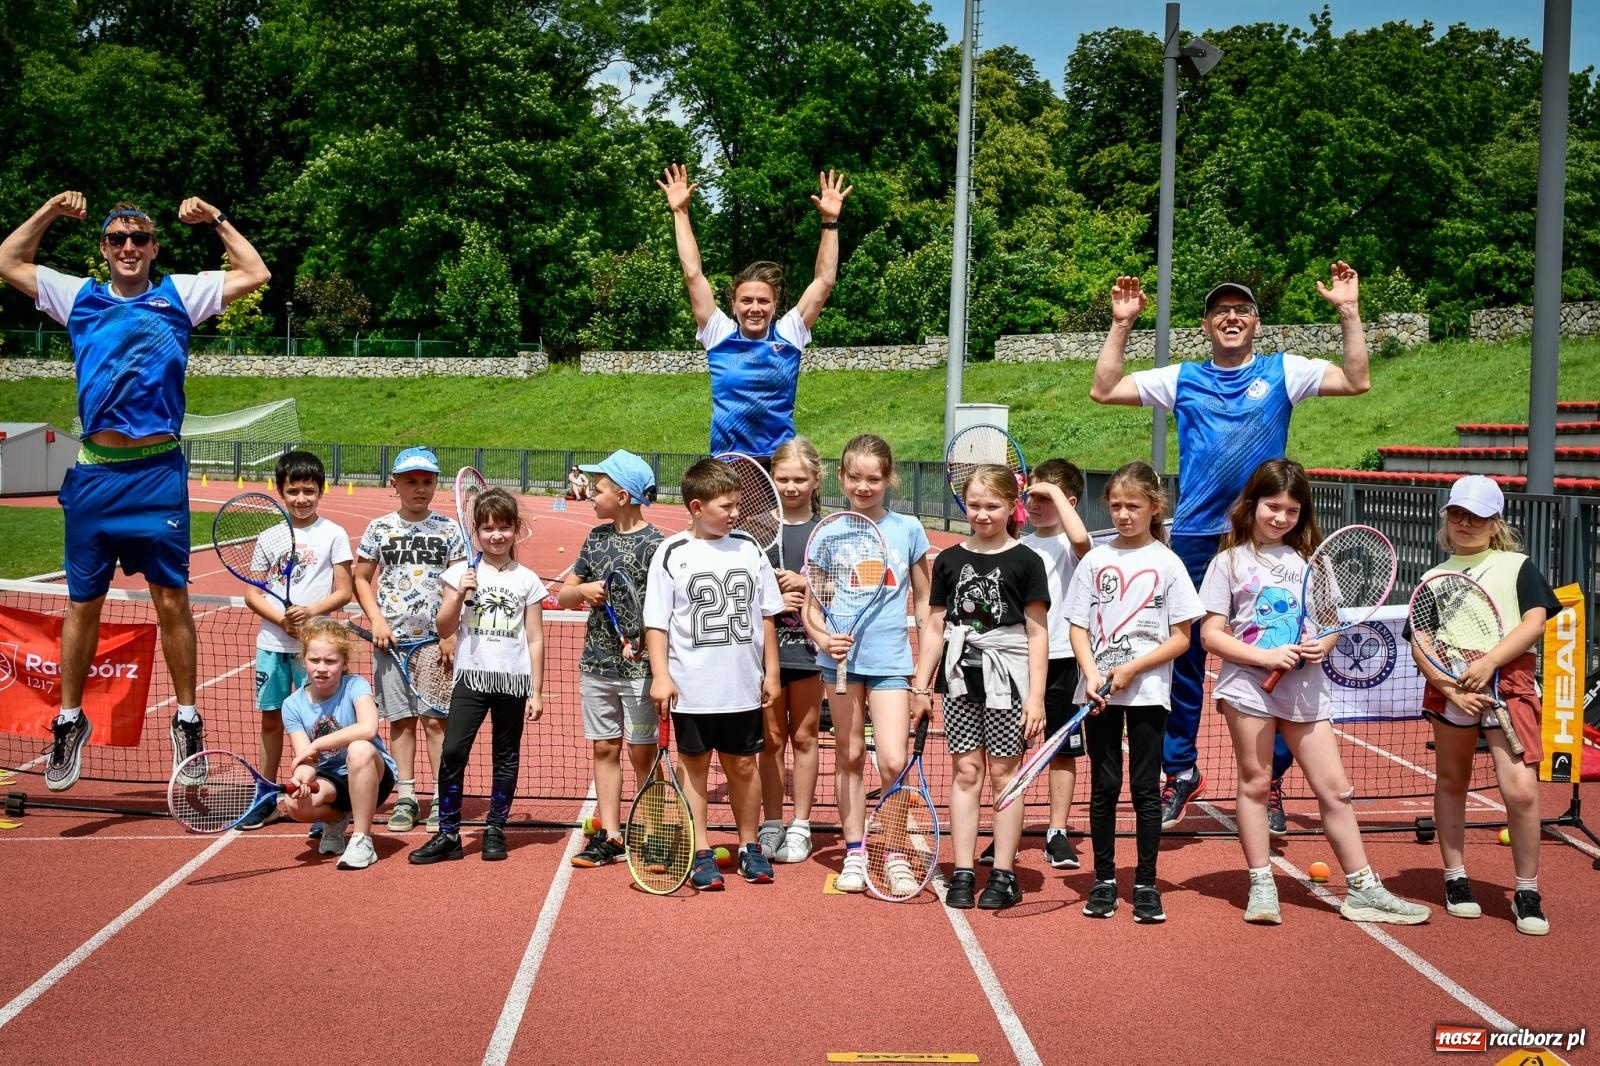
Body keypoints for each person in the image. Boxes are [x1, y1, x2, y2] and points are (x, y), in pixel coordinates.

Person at [0, 192, 269, 791]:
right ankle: (69, 722)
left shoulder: (181, 294)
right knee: (82, 605)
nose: (129, 247)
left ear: (154, 248)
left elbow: (256, 272)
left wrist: (217, 219)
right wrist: (47, 211)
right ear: (103, 248)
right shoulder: (80, 297)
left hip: (156, 474)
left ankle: (187, 720)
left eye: (139, 239)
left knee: (170, 602)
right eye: (118, 239)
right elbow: (8, 259)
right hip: (95, 473)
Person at [1089, 265, 1372, 831]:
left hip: (1265, 531)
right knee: (1185, 655)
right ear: (1207, 324)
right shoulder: (1184, 377)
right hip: (1196, 533)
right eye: (1221, 310)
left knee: (1284, 650)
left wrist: (1348, 311)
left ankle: (1270, 784)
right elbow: (1104, 389)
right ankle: (1181, 772)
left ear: (1256, 322)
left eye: (1241, 309)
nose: (1232, 317)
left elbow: (1357, 379)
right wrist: (1122, 324)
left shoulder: (1283, 370)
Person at [1199, 459, 1431, 925]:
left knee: (1336, 789)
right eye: (1272, 506)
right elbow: (1211, 634)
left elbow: (1329, 626)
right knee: (1256, 783)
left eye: (1291, 509)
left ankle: (1363, 888)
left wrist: (1319, 646)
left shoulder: (1314, 561)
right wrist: (1265, 658)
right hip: (1248, 688)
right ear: (1253, 505)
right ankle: (1262, 884)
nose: (1280, 517)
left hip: (1305, 692)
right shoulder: (1229, 561)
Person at [1410, 475, 1560, 935]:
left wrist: (1492, 660)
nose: (1465, 522)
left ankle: (1527, 890)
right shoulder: (1432, 578)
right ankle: (1455, 878)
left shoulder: (1518, 565)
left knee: (1520, 791)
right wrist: (1448, 685)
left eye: (1476, 516)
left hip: (1508, 685)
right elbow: (1420, 641)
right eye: (1457, 513)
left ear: (1495, 522)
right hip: (1453, 689)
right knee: (1452, 780)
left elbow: (1535, 620)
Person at [1065, 462, 1204, 923]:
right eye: (1117, 505)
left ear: (1154, 507)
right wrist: (1091, 673)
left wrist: (1133, 668)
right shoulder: (1095, 559)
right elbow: (1078, 627)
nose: (1124, 514)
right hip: (1099, 695)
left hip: (1147, 694)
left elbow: (1183, 636)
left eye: (1134, 505)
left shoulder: (1168, 562)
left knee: (1146, 790)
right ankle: (1104, 879)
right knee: (1104, 787)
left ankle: (1146, 882)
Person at [912, 465, 1050, 910]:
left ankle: (1005, 873)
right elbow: (935, 627)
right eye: (975, 505)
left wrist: (1036, 697)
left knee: (1004, 776)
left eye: (993, 506)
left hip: (1008, 681)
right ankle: (965, 870)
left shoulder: (1027, 561)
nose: (983, 514)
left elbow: (1036, 634)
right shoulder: (949, 560)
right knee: (966, 772)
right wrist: (920, 684)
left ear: (1013, 507)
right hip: (958, 681)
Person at [644, 459, 784, 889]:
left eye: (737, 505)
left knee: (743, 766)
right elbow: (658, 623)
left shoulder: (748, 549)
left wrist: (772, 671)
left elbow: (766, 617)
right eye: (726, 506)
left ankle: (749, 847)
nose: (735, 514)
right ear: (697, 506)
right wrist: (661, 676)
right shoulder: (671, 554)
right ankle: (700, 848)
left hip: (741, 686)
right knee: (694, 768)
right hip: (692, 689)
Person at [802, 434, 932, 893]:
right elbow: (812, 605)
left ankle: (893, 849)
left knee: (894, 760)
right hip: (839, 664)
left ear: (889, 478)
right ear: (840, 477)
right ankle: (856, 851)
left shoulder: (909, 529)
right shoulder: (827, 532)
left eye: (873, 478)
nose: (863, 486)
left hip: (891, 662)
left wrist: (925, 675)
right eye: (854, 477)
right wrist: (821, 637)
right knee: (850, 755)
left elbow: (925, 605)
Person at [659, 163, 852, 458]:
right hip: (728, 463)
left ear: (775, 305)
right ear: (733, 304)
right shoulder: (718, 333)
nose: (755, 308)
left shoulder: (789, 333)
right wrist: (680, 213)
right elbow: (693, 274)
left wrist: (830, 221)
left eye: (763, 301)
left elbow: (824, 281)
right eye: (746, 300)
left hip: (780, 465)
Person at [410, 488, 545, 864]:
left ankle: (496, 828)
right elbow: (443, 627)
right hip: (471, 678)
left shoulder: (528, 580)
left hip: (512, 680)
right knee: (453, 751)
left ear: (516, 530)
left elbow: (534, 637)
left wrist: (536, 690)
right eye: (488, 528)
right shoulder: (458, 574)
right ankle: (449, 833)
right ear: (476, 531)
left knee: (506, 756)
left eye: (504, 527)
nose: (497, 535)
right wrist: (457, 595)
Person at [352, 446, 467, 835]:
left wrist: (449, 634)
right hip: (391, 643)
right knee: (400, 722)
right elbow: (360, 578)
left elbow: (457, 587)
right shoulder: (379, 529)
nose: (420, 489)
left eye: (428, 482)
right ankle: (406, 796)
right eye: (412, 482)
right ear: (395, 484)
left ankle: (440, 796)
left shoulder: (449, 530)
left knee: (436, 721)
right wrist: (377, 621)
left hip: (436, 642)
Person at [557, 450, 663, 868]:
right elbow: (564, 594)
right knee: (605, 748)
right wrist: (582, 592)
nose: (590, 493)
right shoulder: (595, 538)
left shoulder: (658, 546)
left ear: (622, 495)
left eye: (597, 488)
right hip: (597, 666)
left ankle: (653, 834)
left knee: (642, 753)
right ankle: (612, 835)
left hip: (640, 672)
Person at [240, 450, 353, 828]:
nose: (301, 498)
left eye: (309, 490)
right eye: (293, 491)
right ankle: (268, 793)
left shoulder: (334, 534)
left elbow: (344, 591)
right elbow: (253, 593)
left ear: (321, 491)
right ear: (280, 491)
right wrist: (282, 620)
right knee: (271, 721)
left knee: (320, 725)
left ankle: (321, 795)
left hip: (315, 649)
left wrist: (310, 614)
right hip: (273, 644)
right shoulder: (270, 536)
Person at [1018, 459, 1093, 869]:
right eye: (1031, 495)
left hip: (1064, 658)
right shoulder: (1020, 545)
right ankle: (1008, 827)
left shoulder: (1072, 544)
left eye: (1044, 498)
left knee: (1062, 749)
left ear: (1069, 502)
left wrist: (1055, 496)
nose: (1035, 503)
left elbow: (1080, 538)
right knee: (1010, 747)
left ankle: (1057, 831)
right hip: (1022, 659)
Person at [279, 618, 399, 869]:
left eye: (330, 661)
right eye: (314, 660)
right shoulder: (292, 705)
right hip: (330, 779)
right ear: (304, 660)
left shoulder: (356, 685)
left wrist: (318, 743)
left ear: (344, 663)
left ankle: (362, 839)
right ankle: (336, 820)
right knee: (294, 805)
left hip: (373, 774)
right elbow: (307, 758)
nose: (321, 668)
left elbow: (367, 728)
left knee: (359, 747)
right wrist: (302, 778)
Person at [758, 436, 825, 863]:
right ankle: (770, 823)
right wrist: (772, 598)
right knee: (770, 740)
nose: (791, 486)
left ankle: (800, 824)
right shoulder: (757, 529)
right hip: (763, 655)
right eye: (783, 478)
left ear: (816, 480)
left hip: (808, 652)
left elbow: (850, 586)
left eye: (800, 479)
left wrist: (809, 586)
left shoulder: (830, 529)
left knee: (805, 737)